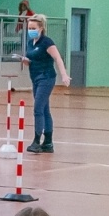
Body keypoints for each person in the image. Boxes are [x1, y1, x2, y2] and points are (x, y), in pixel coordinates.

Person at [21, 13, 70, 153]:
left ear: (41, 28)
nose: (30, 30)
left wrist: (64, 75)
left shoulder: (47, 42)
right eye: (29, 28)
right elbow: (33, 59)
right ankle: (48, 142)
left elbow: (58, 58)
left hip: (46, 78)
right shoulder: (31, 43)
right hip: (35, 77)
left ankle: (36, 141)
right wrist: (26, 61)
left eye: (33, 28)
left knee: (38, 109)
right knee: (44, 109)